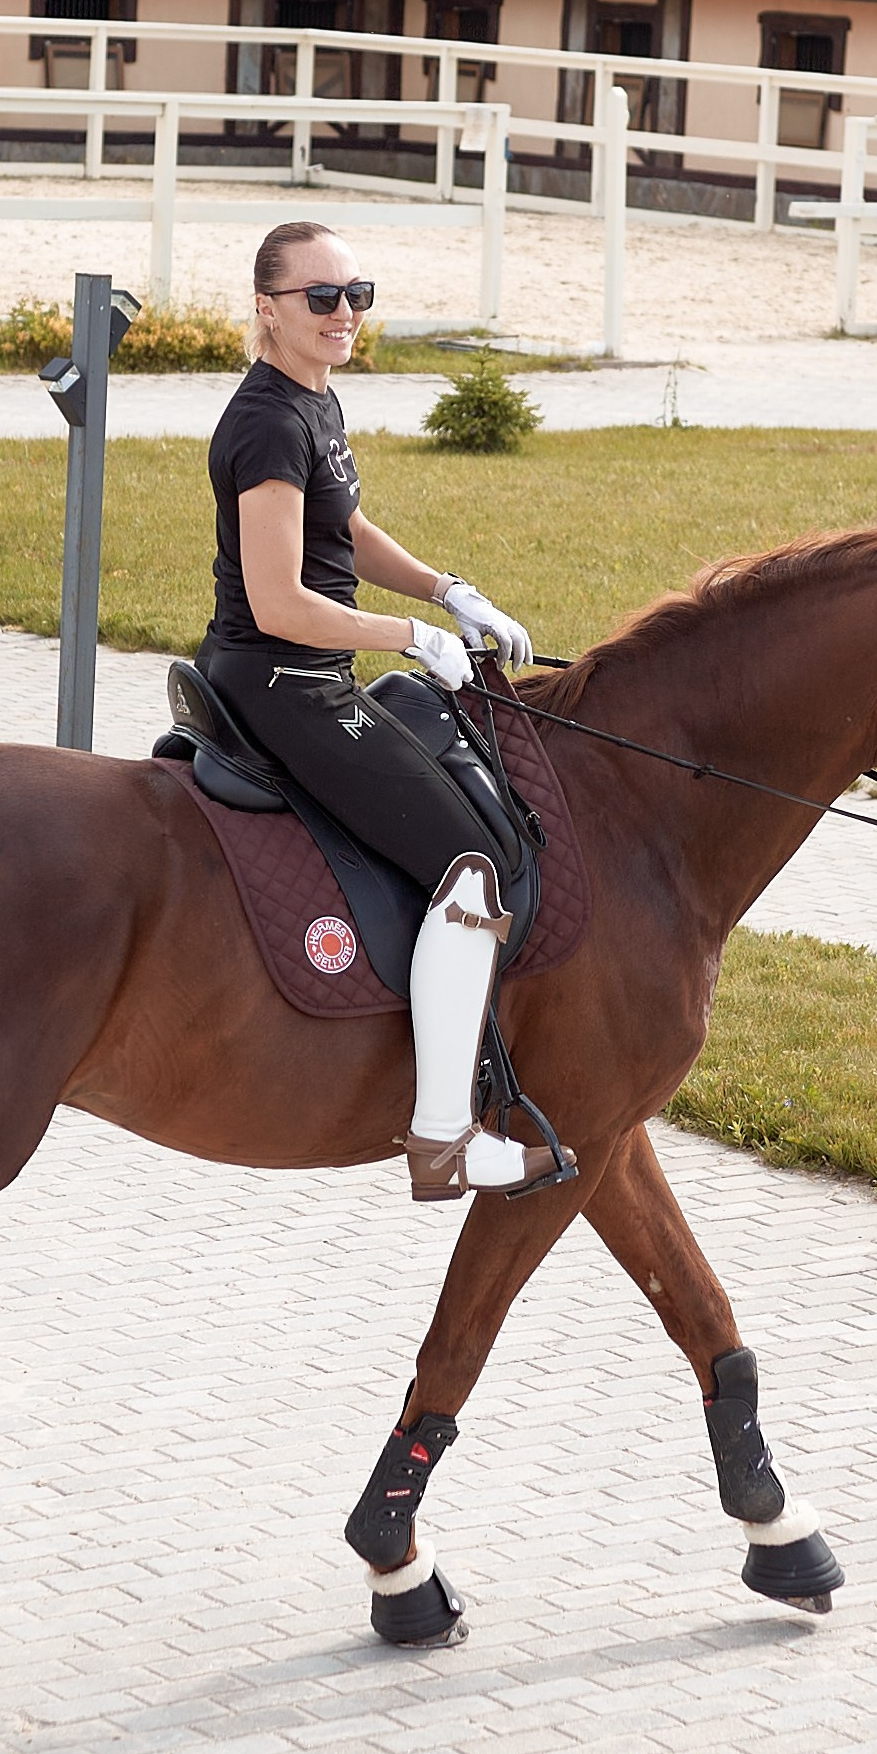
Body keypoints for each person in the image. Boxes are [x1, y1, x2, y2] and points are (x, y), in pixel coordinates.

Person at [200, 219, 570, 1204]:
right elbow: (279, 601)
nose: (344, 312)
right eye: (321, 297)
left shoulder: (313, 401)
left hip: (309, 670)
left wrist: (449, 590)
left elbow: (346, 528)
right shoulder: (269, 423)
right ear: (268, 308)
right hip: (285, 682)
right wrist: (407, 640)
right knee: (469, 862)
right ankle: (444, 1140)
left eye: (357, 292)